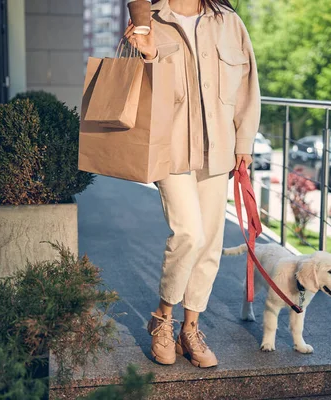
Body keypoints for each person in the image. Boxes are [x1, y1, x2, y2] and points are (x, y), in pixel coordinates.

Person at [124, 0, 260, 368]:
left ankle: (191, 328)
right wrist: (148, 55)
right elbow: (133, 90)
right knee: (189, 233)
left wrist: (243, 143)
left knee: (211, 242)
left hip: (217, 151)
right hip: (169, 148)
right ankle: (163, 318)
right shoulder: (150, 20)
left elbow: (248, 86)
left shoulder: (228, 22)